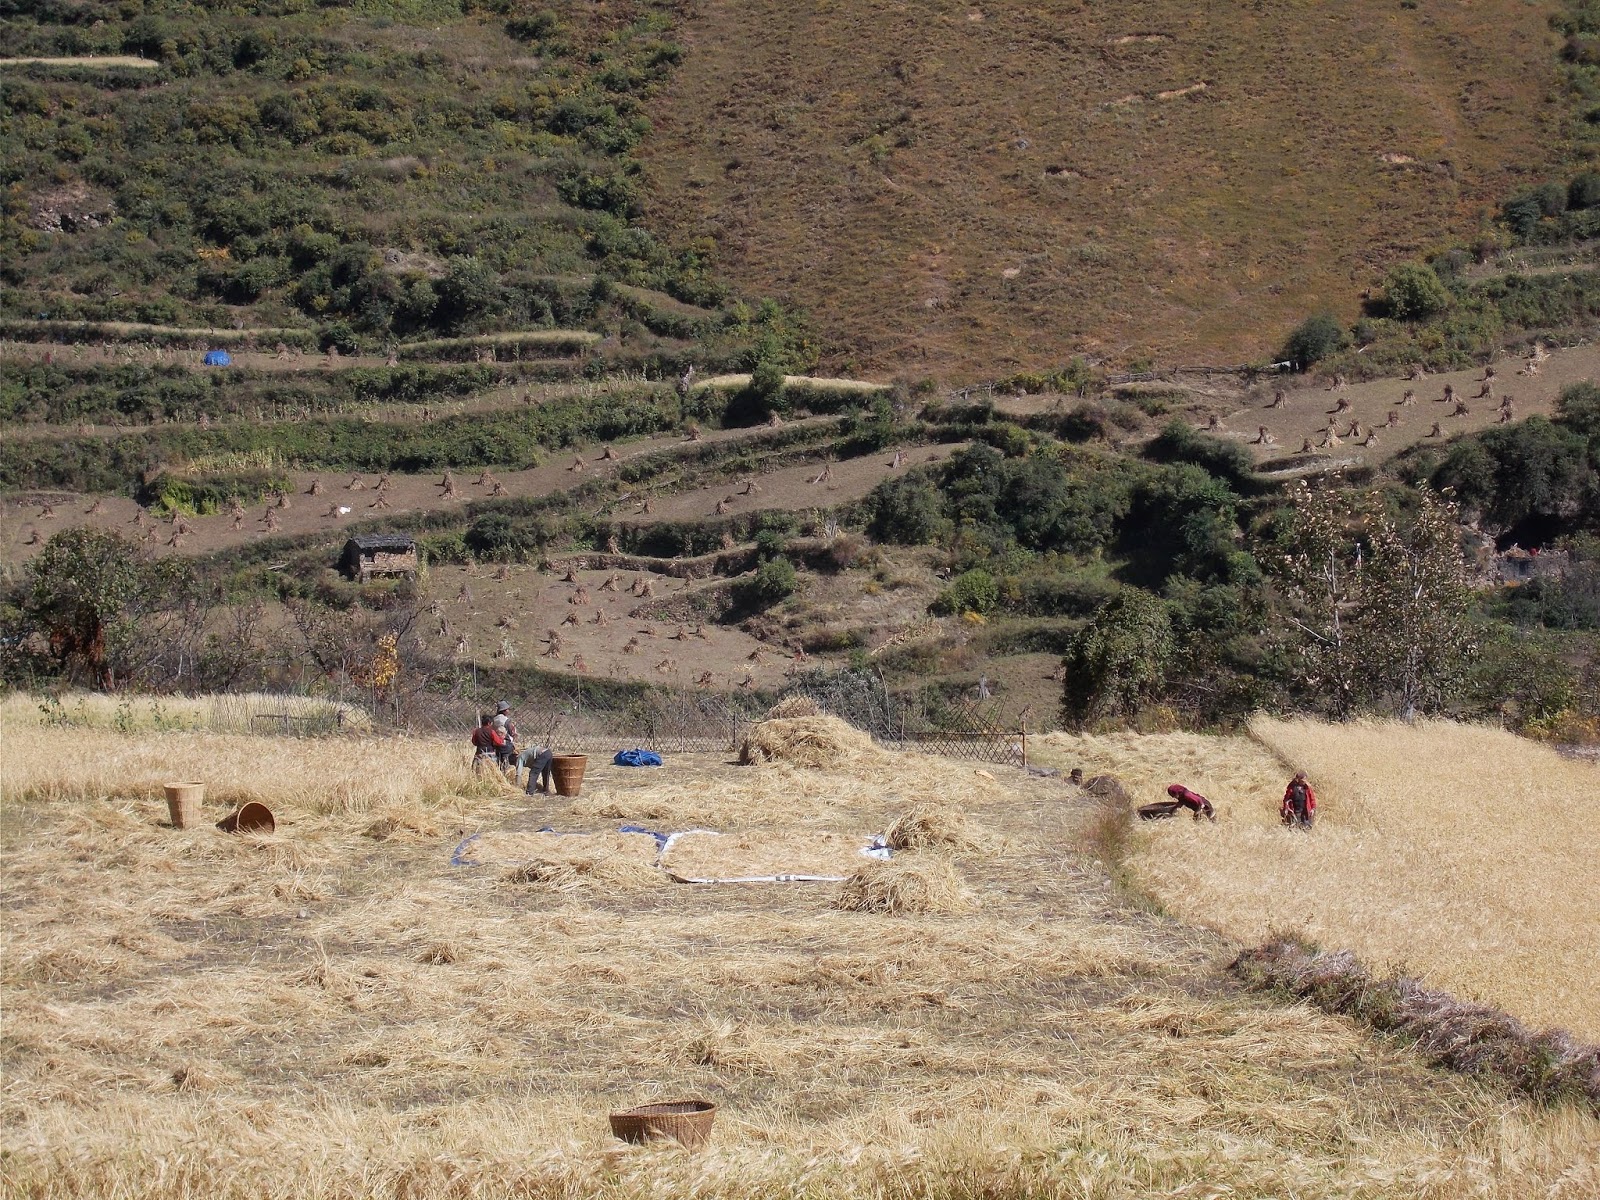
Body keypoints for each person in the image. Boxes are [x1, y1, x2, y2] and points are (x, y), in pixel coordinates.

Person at [1138, 784, 1216, 822]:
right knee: (1197, 821)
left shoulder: (1186, 794)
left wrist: (1198, 812)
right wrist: (1171, 809)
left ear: (1177, 792)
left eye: (1173, 795)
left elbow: (1200, 801)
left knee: (1209, 820)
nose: (1173, 797)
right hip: (1199, 807)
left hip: (1205, 807)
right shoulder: (1182, 797)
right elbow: (1179, 804)